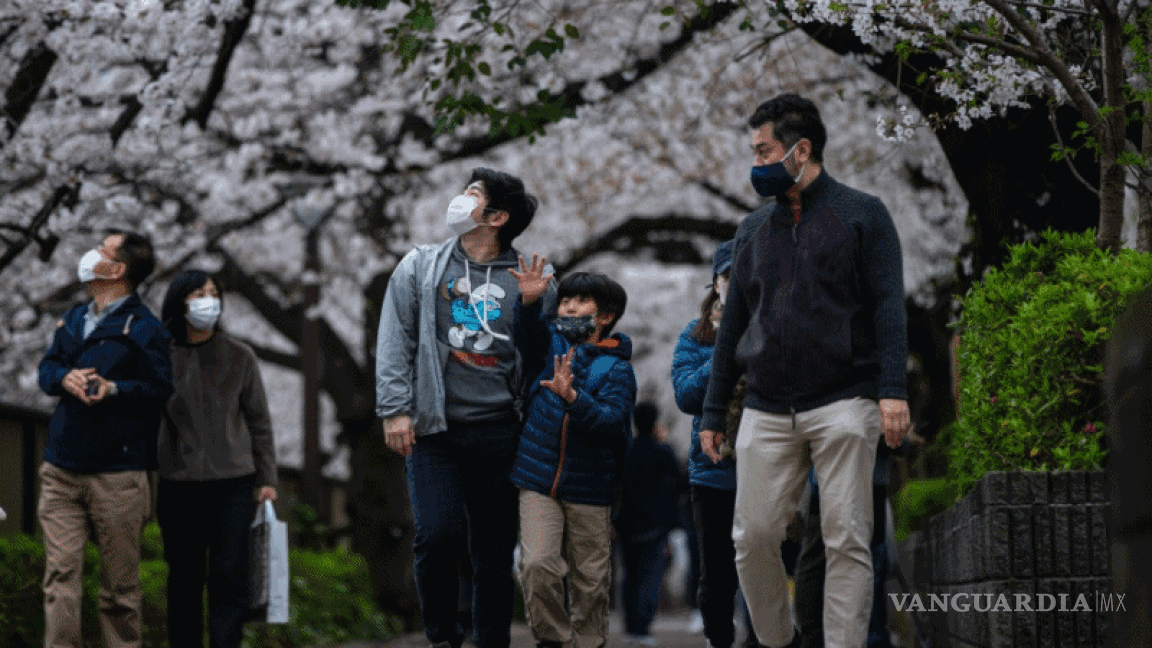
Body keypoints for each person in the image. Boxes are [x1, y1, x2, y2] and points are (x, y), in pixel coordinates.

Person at [699, 94, 911, 648]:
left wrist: (892, 390)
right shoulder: (751, 230)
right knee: (752, 538)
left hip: (846, 401)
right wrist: (713, 411)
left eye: (764, 151)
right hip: (766, 406)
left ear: (801, 150)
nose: (756, 163)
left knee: (847, 538)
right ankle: (778, 642)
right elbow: (732, 327)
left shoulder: (863, 214)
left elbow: (889, 306)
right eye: (754, 152)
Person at [376, 168, 553, 648]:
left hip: (501, 433)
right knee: (435, 537)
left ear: (496, 217)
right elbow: (395, 338)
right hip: (436, 431)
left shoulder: (533, 279)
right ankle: (442, 635)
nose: (460, 198)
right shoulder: (420, 267)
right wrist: (395, 409)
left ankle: (491, 639)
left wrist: (533, 306)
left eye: (473, 193)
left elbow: (540, 361)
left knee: (493, 553)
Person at [37, 231, 173, 648]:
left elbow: (160, 390)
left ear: (117, 269)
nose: (91, 252)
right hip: (61, 467)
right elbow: (47, 371)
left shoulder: (145, 327)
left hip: (118, 474)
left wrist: (115, 389)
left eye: (103, 249)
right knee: (60, 576)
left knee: (119, 589)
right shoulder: (74, 318)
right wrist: (64, 377)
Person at [507, 265, 636, 648]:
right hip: (537, 478)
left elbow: (610, 425)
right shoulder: (548, 347)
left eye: (581, 301)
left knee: (590, 580)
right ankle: (553, 639)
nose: (569, 307)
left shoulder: (617, 369)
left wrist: (574, 399)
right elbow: (526, 333)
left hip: (591, 486)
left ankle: (590, 642)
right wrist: (530, 301)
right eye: (564, 300)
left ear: (605, 316)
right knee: (536, 566)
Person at [156, 270, 278, 648]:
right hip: (178, 484)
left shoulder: (239, 356)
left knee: (229, 577)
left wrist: (267, 478)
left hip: (234, 484)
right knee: (184, 577)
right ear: (179, 302)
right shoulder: (160, 357)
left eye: (213, 293)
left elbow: (259, 421)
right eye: (198, 294)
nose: (208, 301)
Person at [671, 240, 756, 648]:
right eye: (728, 276)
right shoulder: (696, 334)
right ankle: (719, 639)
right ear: (716, 283)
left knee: (762, 561)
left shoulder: (779, 329)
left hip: (769, 462)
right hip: (713, 469)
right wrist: (726, 352)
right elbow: (686, 396)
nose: (737, 284)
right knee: (717, 573)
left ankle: (762, 639)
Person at [614, 401, 682, 647]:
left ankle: (630, 627)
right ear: (655, 422)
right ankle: (643, 629)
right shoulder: (663, 451)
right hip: (655, 527)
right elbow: (679, 482)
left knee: (629, 576)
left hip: (626, 526)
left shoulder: (626, 451)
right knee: (650, 578)